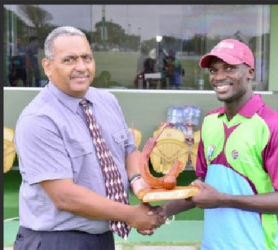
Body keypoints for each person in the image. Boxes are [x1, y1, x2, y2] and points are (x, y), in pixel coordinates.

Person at [13, 26, 165, 250]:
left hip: (101, 238)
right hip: (56, 240)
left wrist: (138, 182)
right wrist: (131, 214)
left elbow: (128, 150)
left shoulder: (107, 101)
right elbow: (65, 196)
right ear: (48, 66)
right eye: (69, 60)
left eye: (87, 58)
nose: (81, 67)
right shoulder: (38, 119)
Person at [161, 39, 278, 250]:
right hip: (211, 245)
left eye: (229, 68)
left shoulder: (272, 125)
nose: (219, 77)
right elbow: (202, 188)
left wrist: (224, 200)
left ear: (250, 72)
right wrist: (163, 211)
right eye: (213, 70)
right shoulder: (210, 122)